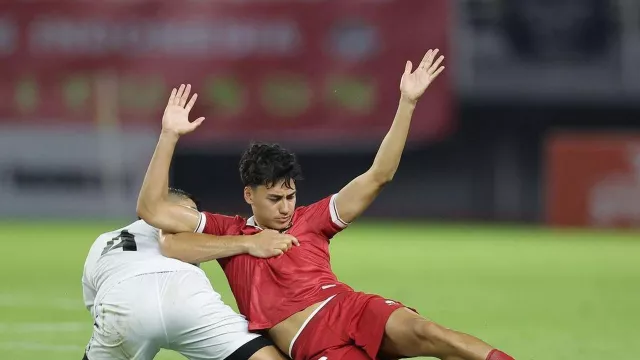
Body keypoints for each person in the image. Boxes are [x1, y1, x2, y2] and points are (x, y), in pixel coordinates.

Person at [138, 50, 515, 360]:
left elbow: (378, 175)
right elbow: (152, 210)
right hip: (312, 341)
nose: (286, 207)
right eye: (274, 199)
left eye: (290, 196)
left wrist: (407, 103)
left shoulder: (313, 219)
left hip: (349, 307)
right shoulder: (228, 232)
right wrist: (169, 136)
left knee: (432, 333)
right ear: (249, 195)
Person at [82, 188, 297, 360]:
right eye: (188, 213)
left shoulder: (103, 241)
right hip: (187, 297)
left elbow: (95, 301)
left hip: (122, 306)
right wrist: (250, 243)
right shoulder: (177, 231)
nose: (192, 221)